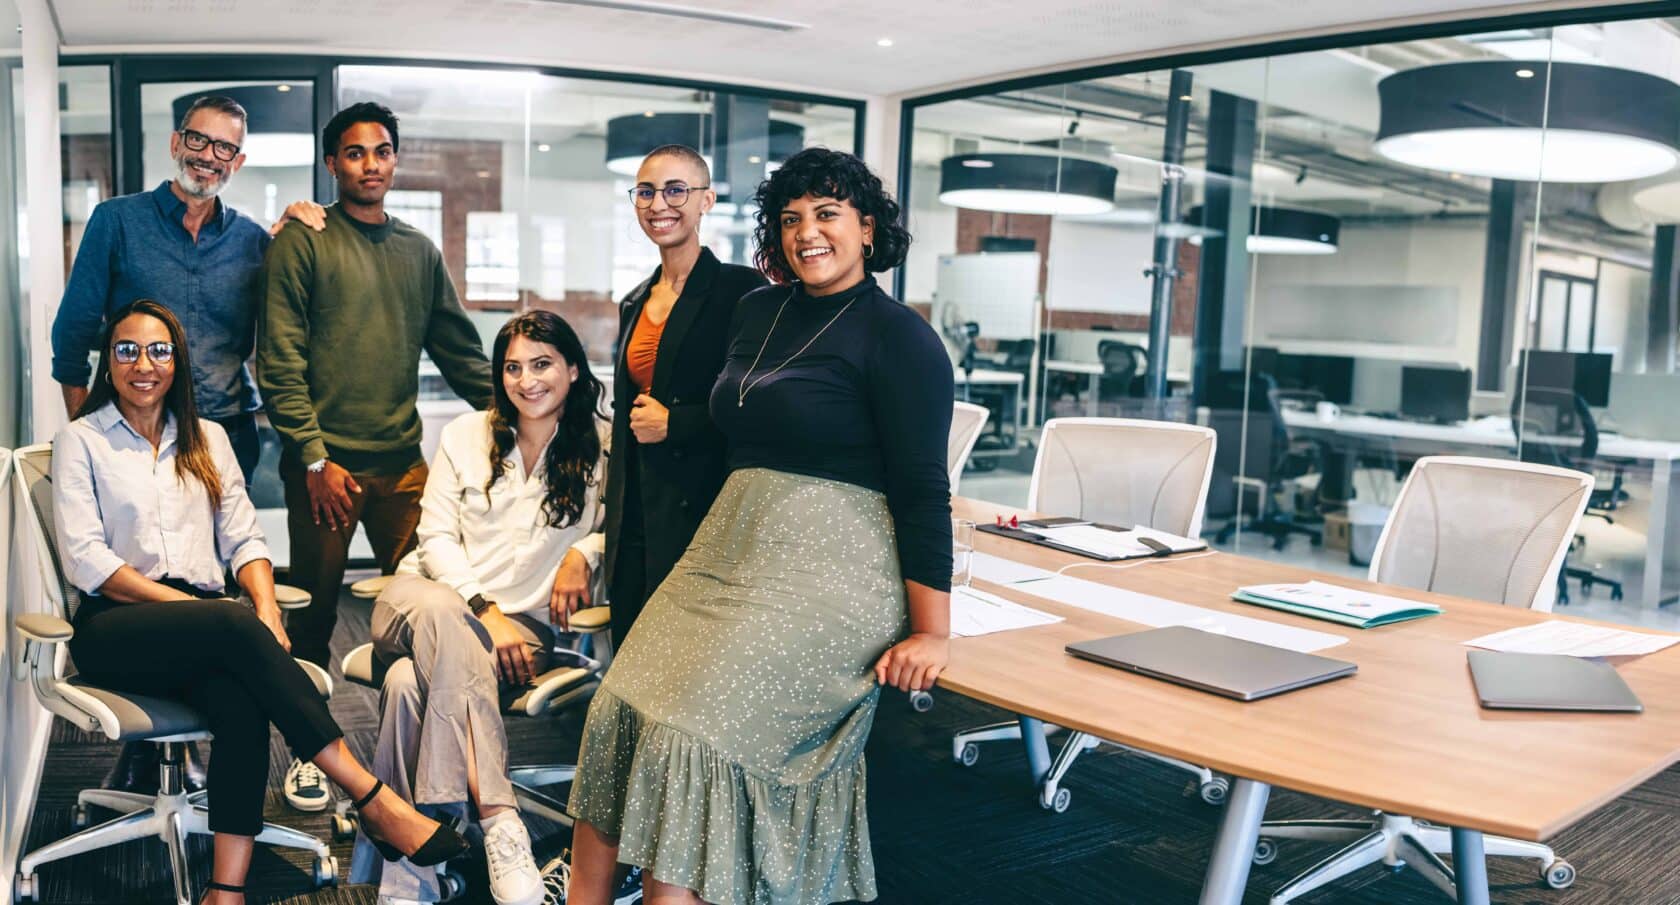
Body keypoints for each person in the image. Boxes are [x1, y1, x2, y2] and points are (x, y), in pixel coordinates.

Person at [564, 148, 954, 905]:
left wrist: (932, 628)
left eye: (829, 213)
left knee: (691, 735)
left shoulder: (899, 336)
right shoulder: (756, 311)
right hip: (729, 550)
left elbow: (921, 490)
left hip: (834, 566)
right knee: (616, 708)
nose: (808, 232)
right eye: (792, 217)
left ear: (868, 228)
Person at [52, 299, 470, 905]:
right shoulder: (80, 441)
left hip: (204, 624)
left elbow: (246, 538)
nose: (144, 364)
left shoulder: (208, 439)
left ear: (179, 362)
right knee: (228, 619)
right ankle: (373, 799)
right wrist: (194, 607)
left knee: (241, 701)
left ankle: (226, 890)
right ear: (107, 363)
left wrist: (268, 613)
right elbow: (89, 562)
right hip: (117, 626)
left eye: (159, 350)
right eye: (127, 350)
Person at [48, 93, 326, 806]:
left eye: (225, 148)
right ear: (177, 143)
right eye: (199, 142)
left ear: (239, 161)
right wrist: (100, 433)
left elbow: (279, 322)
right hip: (126, 427)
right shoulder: (119, 222)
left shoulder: (253, 243)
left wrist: (293, 226)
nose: (209, 157)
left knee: (208, 579)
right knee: (149, 578)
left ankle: (194, 748)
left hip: (220, 431)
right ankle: (145, 758)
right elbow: (73, 334)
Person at [349, 311, 608, 905]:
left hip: (522, 630)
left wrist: (585, 555)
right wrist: (482, 608)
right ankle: (498, 818)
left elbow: (623, 531)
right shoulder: (465, 434)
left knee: (406, 685)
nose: (527, 380)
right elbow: (434, 539)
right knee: (442, 618)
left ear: (573, 368)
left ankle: (409, 866)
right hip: (423, 601)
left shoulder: (603, 447)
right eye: (512, 367)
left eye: (542, 364)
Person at [604, 144, 767, 649]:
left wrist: (678, 423)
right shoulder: (635, 299)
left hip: (702, 508)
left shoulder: (743, 292)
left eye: (676, 190)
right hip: (636, 509)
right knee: (632, 654)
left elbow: (760, 404)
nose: (659, 204)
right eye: (646, 192)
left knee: (685, 660)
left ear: (706, 201)